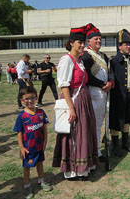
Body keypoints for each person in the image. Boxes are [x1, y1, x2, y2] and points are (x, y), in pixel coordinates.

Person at [52, 25, 98, 180]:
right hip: (73, 100)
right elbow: (64, 85)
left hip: (84, 100)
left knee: (84, 133)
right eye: (79, 42)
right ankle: (73, 170)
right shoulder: (67, 60)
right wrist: (71, 109)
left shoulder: (80, 61)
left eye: (83, 42)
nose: (82, 45)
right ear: (71, 42)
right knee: (74, 134)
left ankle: (84, 167)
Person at [81, 23, 114, 162]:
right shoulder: (86, 56)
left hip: (103, 93)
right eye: (96, 39)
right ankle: (90, 151)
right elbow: (87, 76)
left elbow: (110, 72)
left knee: (99, 123)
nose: (99, 41)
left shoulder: (104, 56)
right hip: (93, 92)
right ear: (89, 42)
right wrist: (102, 84)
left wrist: (110, 83)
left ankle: (97, 152)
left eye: (100, 39)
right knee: (91, 124)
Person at [13, 86, 52, 199]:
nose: (29, 101)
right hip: (28, 148)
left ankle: (41, 181)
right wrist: (21, 147)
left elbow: (44, 128)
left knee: (40, 163)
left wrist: (45, 141)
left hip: (39, 146)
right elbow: (19, 132)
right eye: (26, 99)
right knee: (27, 167)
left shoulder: (41, 112)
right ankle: (27, 186)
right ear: (22, 100)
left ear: (36, 98)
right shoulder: (21, 116)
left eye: (32, 98)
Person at [109, 29, 130, 157]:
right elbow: (112, 77)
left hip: (129, 94)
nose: (129, 47)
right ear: (120, 47)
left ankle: (125, 142)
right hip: (118, 95)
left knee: (127, 119)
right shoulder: (114, 61)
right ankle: (115, 145)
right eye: (126, 45)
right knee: (116, 120)